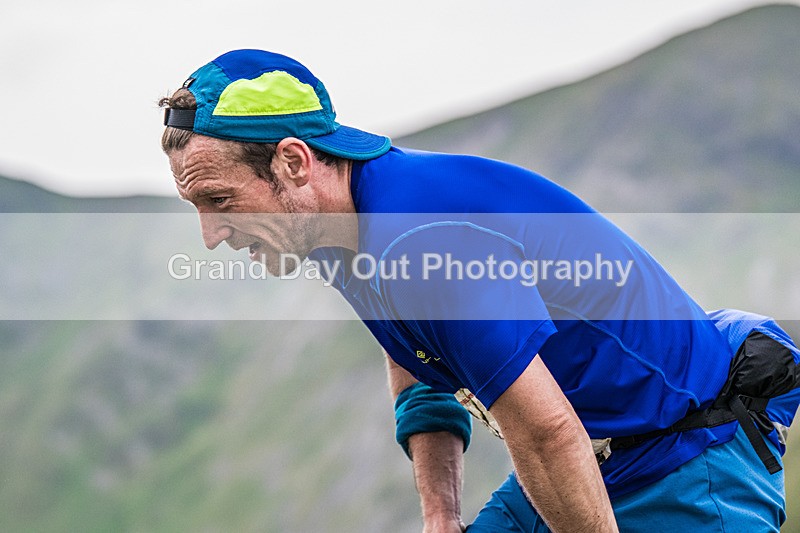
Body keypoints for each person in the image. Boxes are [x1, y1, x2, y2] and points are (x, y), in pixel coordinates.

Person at [160, 49, 800, 532]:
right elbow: (415, 359)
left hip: (687, 462)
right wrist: (441, 515)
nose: (212, 236)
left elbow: (546, 433)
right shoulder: (336, 228)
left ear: (294, 163)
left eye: (219, 201)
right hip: (585, 460)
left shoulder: (421, 240)